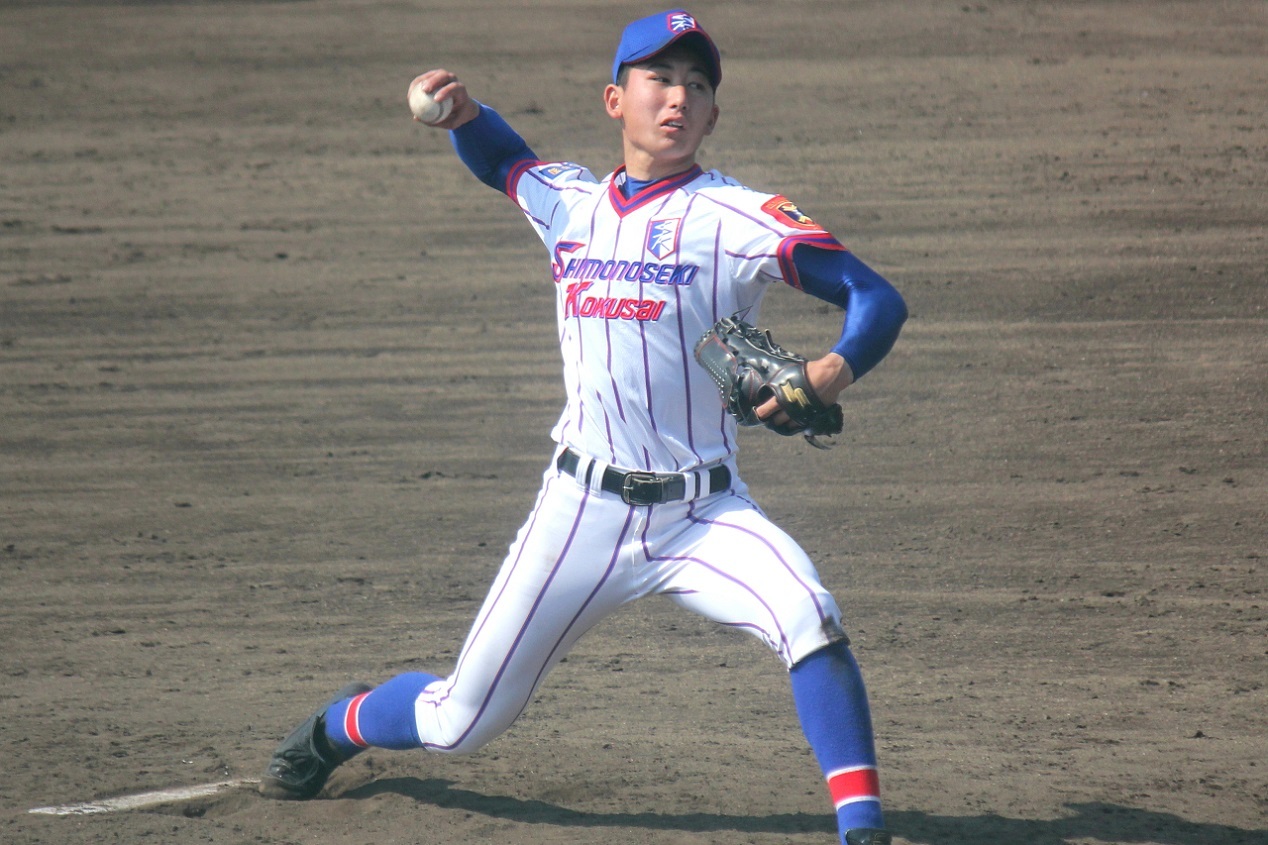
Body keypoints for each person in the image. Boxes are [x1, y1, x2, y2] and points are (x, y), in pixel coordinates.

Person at [259, 10, 907, 845]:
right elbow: (507, 162)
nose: (678, 98)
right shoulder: (569, 205)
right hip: (579, 513)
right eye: (660, 80)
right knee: (461, 719)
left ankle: (863, 831)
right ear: (616, 99)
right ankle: (336, 727)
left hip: (704, 513)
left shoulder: (738, 219)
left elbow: (875, 296)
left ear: (713, 116)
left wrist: (829, 369)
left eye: (698, 86)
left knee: (809, 614)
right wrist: (463, 115)